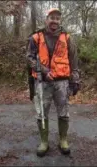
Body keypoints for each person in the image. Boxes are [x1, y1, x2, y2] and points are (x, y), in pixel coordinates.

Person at [26, 8, 80, 157]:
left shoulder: (67, 38)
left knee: (63, 112)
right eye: (52, 18)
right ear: (46, 19)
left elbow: (74, 60)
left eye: (57, 18)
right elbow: (30, 58)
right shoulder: (36, 37)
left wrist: (75, 79)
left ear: (60, 21)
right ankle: (44, 142)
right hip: (42, 82)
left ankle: (63, 140)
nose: (55, 21)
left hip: (62, 82)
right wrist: (43, 71)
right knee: (42, 112)